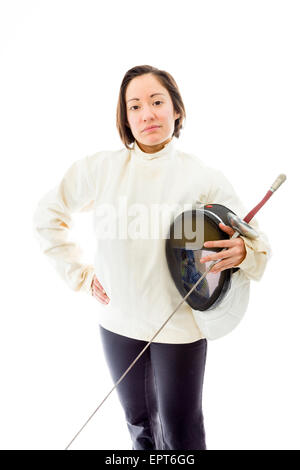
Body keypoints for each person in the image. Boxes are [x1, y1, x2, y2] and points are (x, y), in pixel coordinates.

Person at [33, 65, 271, 450]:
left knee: (181, 433)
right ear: (125, 119)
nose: (147, 113)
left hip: (178, 328)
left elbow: (255, 242)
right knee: (139, 426)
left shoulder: (202, 176)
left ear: (176, 109)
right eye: (135, 106)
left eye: (157, 101)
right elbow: (47, 215)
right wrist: (78, 274)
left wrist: (243, 251)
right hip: (117, 324)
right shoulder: (101, 169)